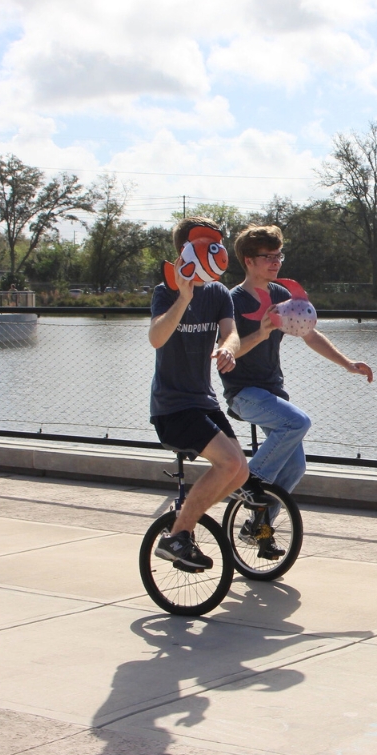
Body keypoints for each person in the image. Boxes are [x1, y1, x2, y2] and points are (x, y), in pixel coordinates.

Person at [220, 224, 373, 557]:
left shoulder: (280, 296)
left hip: (271, 391)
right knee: (297, 422)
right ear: (248, 260)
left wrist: (346, 363)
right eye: (267, 257)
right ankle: (246, 482)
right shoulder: (232, 301)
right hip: (243, 392)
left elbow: (309, 334)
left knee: (294, 468)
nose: (275, 262)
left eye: (278, 256)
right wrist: (260, 334)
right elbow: (228, 349)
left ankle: (257, 529)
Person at [148, 217, 249, 570]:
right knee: (230, 463)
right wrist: (183, 297)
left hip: (203, 400)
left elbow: (231, 332)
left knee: (241, 473)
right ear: (184, 251)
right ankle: (178, 534)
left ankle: (185, 521)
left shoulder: (219, 293)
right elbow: (156, 338)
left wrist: (227, 349)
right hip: (172, 407)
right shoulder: (166, 290)